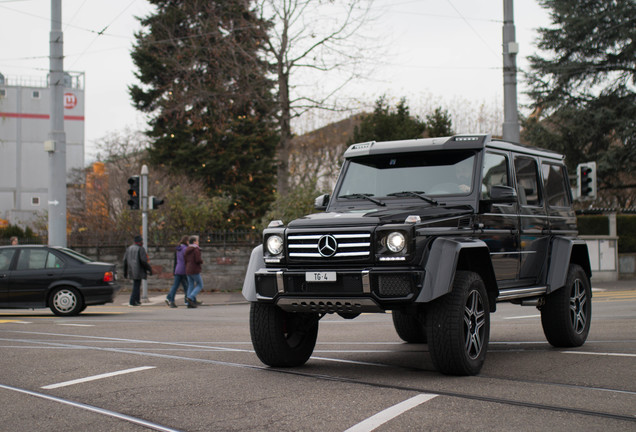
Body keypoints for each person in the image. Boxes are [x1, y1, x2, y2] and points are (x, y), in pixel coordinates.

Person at [123, 235, 152, 306]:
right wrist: (149, 269)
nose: (143, 242)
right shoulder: (140, 249)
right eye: (141, 241)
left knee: (137, 285)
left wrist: (125, 272)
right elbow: (144, 261)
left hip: (131, 270)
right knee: (136, 286)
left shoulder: (129, 249)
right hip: (138, 270)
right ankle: (132, 301)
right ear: (139, 242)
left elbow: (125, 260)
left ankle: (137, 300)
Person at [165, 235, 189, 308]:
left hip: (178, 269)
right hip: (184, 269)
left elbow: (176, 260)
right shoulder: (185, 249)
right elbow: (187, 259)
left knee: (177, 286)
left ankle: (170, 298)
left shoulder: (178, 249)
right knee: (186, 286)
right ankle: (185, 300)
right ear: (187, 241)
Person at [184, 235, 203, 308]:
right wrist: (201, 261)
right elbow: (197, 259)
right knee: (200, 284)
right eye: (197, 241)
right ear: (194, 242)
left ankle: (189, 303)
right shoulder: (196, 249)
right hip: (194, 269)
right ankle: (191, 297)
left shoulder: (187, 249)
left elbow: (185, 259)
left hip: (188, 269)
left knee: (190, 285)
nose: (198, 242)